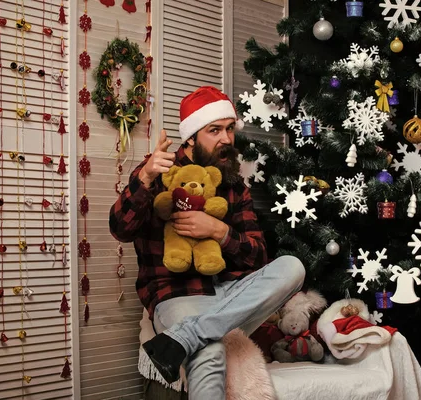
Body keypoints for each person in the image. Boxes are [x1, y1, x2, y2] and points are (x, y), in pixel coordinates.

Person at [109, 86, 305, 398]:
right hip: (176, 294)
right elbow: (120, 229)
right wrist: (144, 177)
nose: (226, 139)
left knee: (293, 267)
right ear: (189, 137)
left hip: (229, 294)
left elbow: (258, 257)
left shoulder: (232, 183)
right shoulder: (159, 171)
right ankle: (193, 335)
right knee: (210, 353)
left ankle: (185, 337)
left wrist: (219, 232)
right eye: (214, 130)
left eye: (229, 129)